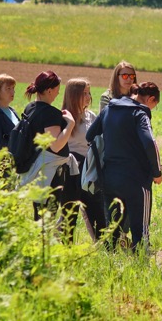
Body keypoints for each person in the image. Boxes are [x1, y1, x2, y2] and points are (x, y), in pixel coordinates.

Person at [86, 82, 162, 251]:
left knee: (112, 226)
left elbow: (90, 134)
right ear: (150, 99)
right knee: (139, 230)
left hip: (109, 178)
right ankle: (141, 264)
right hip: (136, 180)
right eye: (153, 105)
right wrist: (157, 172)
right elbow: (150, 142)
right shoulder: (140, 113)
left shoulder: (109, 108)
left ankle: (110, 264)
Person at [19, 71, 77, 219]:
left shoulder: (30, 108)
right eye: (57, 90)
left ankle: (38, 241)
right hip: (50, 173)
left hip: (36, 168)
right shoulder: (50, 114)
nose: (58, 93)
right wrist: (70, 124)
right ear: (49, 90)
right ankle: (42, 242)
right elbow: (56, 146)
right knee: (47, 214)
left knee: (39, 210)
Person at [59, 78, 106, 240]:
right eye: (84, 93)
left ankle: (105, 250)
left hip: (89, 169)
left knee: (97, 211)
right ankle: (65, 250)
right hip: (70, 170)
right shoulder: (63, 117)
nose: (88, 97)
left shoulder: (91, 116)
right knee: (69, 214)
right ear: (73, 95)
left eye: (89, 93)